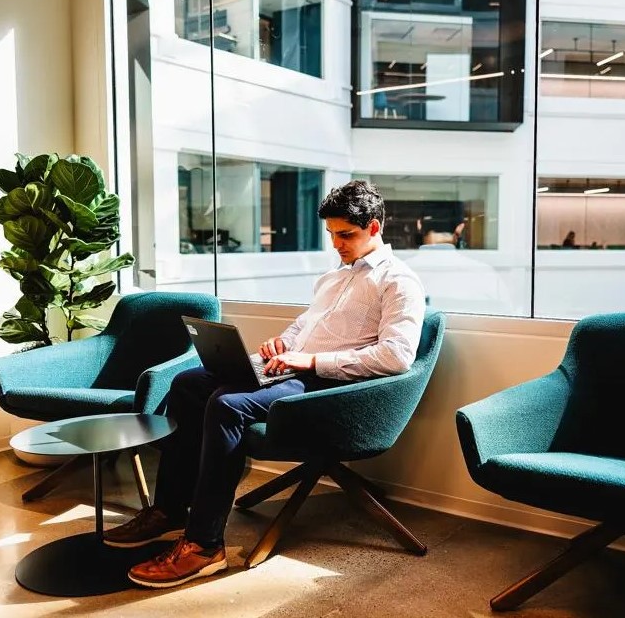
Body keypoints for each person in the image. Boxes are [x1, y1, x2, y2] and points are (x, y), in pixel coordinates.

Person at [105, 180, 427, 589]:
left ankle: (205, 547)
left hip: (327, 388)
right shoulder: (333, 278)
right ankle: (170, 510)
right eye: (331, 235)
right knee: (187, 383)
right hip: (291, 369)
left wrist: (308, 359)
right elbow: (304, 328)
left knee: (227, 404)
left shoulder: (399, 282)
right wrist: (283, 344)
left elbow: (396, 357)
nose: (338, 244)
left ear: (375, 228)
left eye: (346, 235)